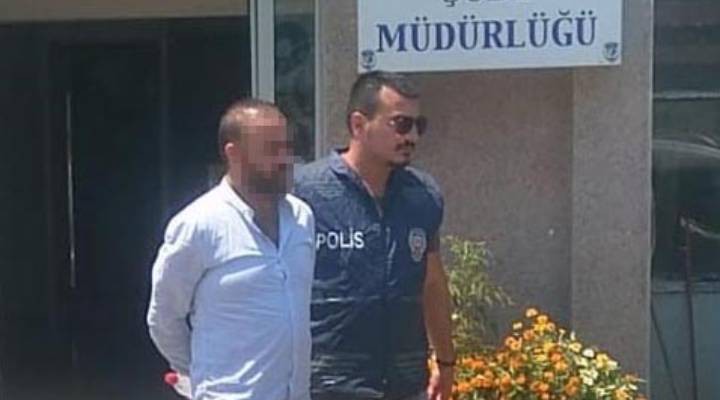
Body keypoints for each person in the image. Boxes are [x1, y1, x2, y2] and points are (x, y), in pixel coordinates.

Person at [294, 71, 455, 400]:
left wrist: (446, 360)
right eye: (401, 124)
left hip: (406, 383)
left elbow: (432, 283)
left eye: (419, 125)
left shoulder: (423, 195)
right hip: (329, 385)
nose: (412, 136)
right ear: (358, 125)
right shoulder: (304, 193)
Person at [147, 99, 315, 400]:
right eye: (271, 149)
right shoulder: (199, 224)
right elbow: (164, 318)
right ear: (233, 154)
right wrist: (202, 374)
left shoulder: (302, 218)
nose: (285, 159)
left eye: (287, 147)